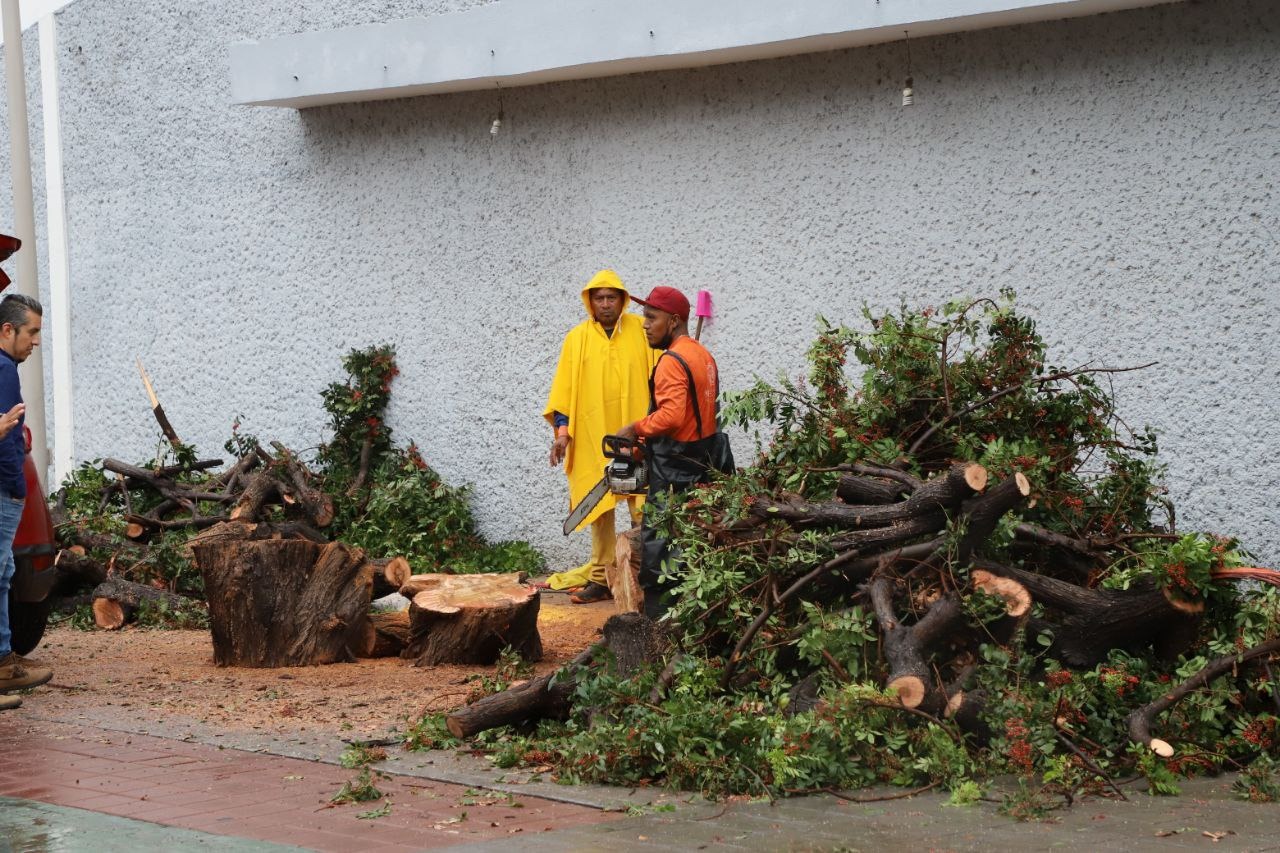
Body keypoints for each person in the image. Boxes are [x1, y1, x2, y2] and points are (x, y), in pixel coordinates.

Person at [615, 286, 730, 619]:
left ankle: (659, 619)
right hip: (703, 458)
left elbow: (671, 416)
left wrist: (635, 429)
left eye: (652, 318)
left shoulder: (670, 361)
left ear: (675, 320)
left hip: (675, 466)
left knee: (660, 540)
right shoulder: (702, 354)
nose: (644, 324)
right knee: (696, 536)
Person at [543, 270, 658, 604]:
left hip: (638, 435)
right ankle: (601, 577)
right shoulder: (576, 339)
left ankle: (649, 577)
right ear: (589, 300)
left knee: (644, 504)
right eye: (599, 297)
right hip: (595, 438)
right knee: (598, 508)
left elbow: (662, 374)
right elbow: (564, 393)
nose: (605, 304)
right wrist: (563, 434)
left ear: (622, 299)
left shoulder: (641, 330)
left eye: (611, 297)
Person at [0, 293, 52, 710]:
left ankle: (3, 663)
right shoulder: (2, 370)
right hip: (3, 491)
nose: (35, 341)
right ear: (7, 330)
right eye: (31, 332)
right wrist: (15, 485)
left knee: (2, 575)